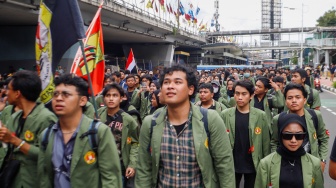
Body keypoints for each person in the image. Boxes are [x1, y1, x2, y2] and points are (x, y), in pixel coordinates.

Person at [135, 64, 235, 187]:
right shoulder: (150, 123)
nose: (170, 86)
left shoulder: (210, 119)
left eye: (177, 82)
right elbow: (144, 169)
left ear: (191, 89)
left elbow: (224, 165)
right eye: (166, 82)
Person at [37, 74, 122, 187]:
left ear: (82, 100)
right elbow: (44, 178)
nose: (58, 98)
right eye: (55, 94)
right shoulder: (47, 135)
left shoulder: (98, 133)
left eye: (66, 94)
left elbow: (111, 179)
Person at [0, 70, 57, 188]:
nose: (6, 92)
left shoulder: (45, 118)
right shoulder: (15, 117)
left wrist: (15, 141)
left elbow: (48, 155)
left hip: (34, 182)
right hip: (13, 180)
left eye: (9, 89)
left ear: (17, 93)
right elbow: (6, 146)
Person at [220, 80, 270, 188]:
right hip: (232, 163)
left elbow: (265, 142)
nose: (240, 97)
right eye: (237, 93)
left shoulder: (260, 115)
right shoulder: (225, 115)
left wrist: (266, 164)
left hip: (253, 162)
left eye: (244, 94)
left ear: (251, 95)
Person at [270, 83, 329, 172]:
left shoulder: (315, 116)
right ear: (285, 100)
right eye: (290, 98)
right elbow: (274, 142)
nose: (294, 101)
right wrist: (275, 161)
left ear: (304, 100)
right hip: (285, 165)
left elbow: (323, 138)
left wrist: (322, 160)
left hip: (310, 165)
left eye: (298, 97)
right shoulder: (278, 119)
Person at [255, 113, 324, 188]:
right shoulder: (265, 164)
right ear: (280, 135)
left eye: (299, 135)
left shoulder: (315, 163)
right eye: (287, 135)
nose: (293, 140)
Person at [97, 83, 139, 187]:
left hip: (119, 168)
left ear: (121, 98)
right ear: (103, 98)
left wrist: (132, 164)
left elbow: (135, 143)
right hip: (99, 166)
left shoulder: (128, 120)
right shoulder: (98, 115)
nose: (111, 99)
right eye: (108, 95)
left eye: (115, 95)